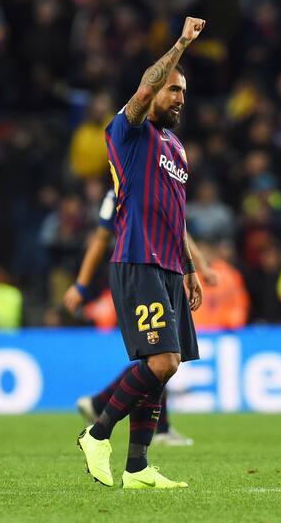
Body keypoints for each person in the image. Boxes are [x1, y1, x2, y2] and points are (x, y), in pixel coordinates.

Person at [76, 16, 206, 489]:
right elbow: (148, 82)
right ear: (152, 93)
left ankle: (137, 468)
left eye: (184, 93)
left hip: (171, 265)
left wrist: (190, 269)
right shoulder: (128, 133)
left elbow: (177, 216)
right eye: (173, 90)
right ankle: (97, 433)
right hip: (137, 258)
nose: (179, 98)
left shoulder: (177, 147)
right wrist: (180, 44)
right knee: (162, 361)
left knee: (160, 367)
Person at [64, 188, 218, 447]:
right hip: (137, 275)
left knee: (161, 357)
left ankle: (104, 407)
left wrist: (197, 266)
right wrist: (81, 284)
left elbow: (176, 225)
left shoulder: (157, 181)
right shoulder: (120, 192)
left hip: (166, 273)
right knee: (160, 356)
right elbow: (101, 238)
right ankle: (115, 426)